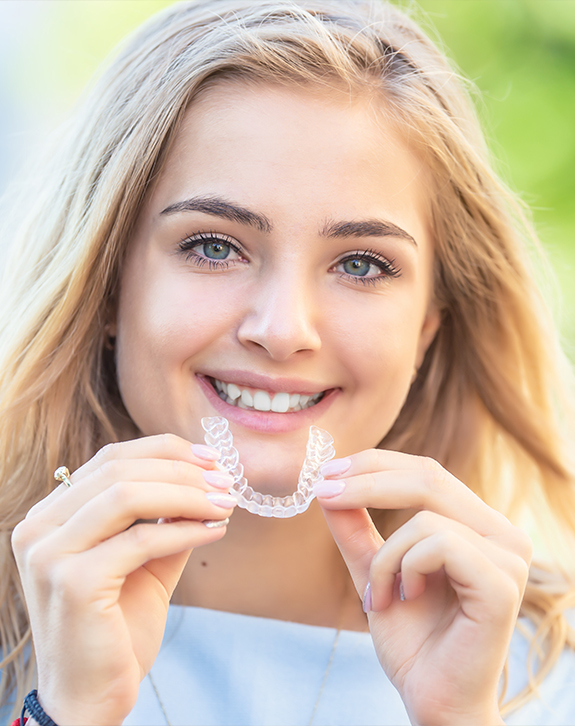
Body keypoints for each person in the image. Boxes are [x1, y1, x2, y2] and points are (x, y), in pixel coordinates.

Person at [1, 0, 574, 724]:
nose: (282, 329)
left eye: (361, 264)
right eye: (213, 246)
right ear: (106, 285)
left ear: (427, 327)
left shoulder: (547, 680)